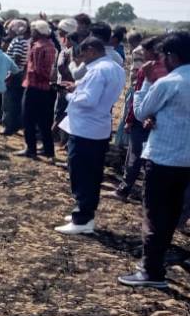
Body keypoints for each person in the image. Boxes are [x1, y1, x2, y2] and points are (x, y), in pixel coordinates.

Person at [116, 32, 190, 288]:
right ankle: (155, 264)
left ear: (172, 56)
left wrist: (146, 82)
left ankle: (151, 271)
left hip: (163, 158)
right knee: (171, 214)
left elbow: (141, 111)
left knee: (155, 215)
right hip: (186, 161)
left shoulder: (168, 83)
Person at [53, 37, 126, 235]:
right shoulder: (115, 67)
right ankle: (86, 213)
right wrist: (77, 88)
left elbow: (88, 100)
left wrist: (68, 95)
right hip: (98, 128)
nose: (83, 59)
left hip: (85, 128)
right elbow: (96, 95)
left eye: (84, 54)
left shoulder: (97, 70)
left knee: (81, 175)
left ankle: (82, 219)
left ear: (92, 50)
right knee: (92, 175)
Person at [113, 37, 168, 201]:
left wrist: (129, 120)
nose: (142, 54)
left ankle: (124, 190)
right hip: (159, 121)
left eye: (145, 51)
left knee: (135, 156)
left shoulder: (147, 70)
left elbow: (138, 97)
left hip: (142, 118)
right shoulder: (171, 71)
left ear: (154, 51)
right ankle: (149, 194)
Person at [17, 20, 57, 160]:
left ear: (38, 32)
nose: (31, 32)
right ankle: (49, 150)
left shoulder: (37, 47)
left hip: (33, 87)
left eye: (33, 30)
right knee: (45, 121)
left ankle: (31, 149)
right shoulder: (51, 46)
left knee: (28, 119)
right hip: (46, 88)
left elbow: (37, 70)